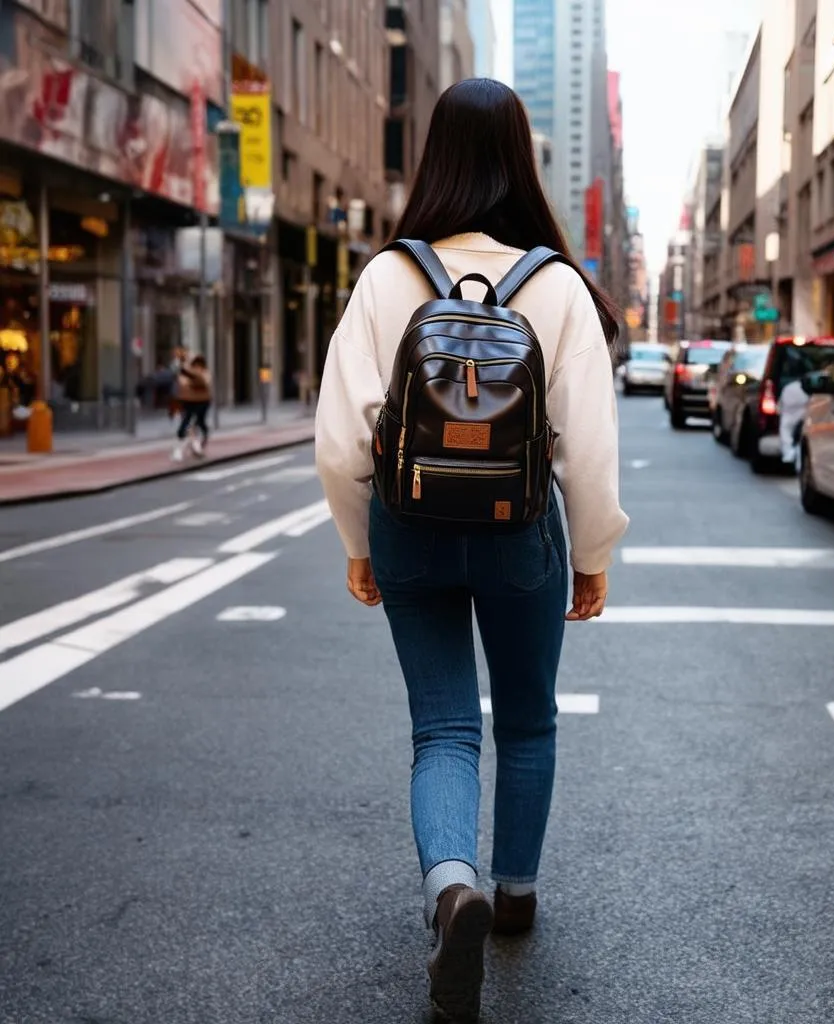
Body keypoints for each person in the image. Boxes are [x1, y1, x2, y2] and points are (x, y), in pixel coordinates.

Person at [315, 78, 629, 1022]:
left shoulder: (386, 276)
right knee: (527, 719)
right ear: (522, 160)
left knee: (445, 729)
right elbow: (590, 444)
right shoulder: (558, 285)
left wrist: (355, 538)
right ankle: (517, 896)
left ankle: (452, 888)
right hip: (520, 534)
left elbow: (341, 435)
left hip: (408, 527)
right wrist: (594, 555)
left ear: (434, 157)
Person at [171, 353, 211, 462]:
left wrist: (193, 379)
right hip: (188, 401)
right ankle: (184, 448)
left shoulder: (204, 373)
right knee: (186, 423)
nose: (197, 367)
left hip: (203, 402)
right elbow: (183, 383)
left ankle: (198, 444)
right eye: (195, 364)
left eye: (200, 365)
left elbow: (204, 382)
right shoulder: (186, 373)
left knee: (199, 423)